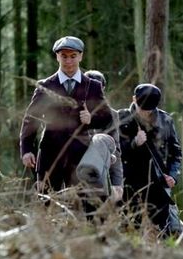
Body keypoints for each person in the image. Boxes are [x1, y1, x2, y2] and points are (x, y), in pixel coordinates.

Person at [19, 36, 113, 192]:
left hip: (81, 158)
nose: (68, 61)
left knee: (80, 206)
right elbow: (31, 120)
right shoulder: (45, 86)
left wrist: (91, 119)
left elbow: (107, 117)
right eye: (64, 56)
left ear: (81, 56)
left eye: (73, 56)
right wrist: (27, 150)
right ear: (57, 56)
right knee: (47, 204)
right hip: (50, 156)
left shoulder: (93, 86)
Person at [117, 83, 183, 236]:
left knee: (163, 230)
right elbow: (115, 150)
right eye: (142, 110)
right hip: (129, 181)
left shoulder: (165, 120)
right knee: (131, 227)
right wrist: (134, 143)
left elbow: (176, 152)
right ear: (134, 99)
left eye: (149, 110)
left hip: (157, 182)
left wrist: (173, 175)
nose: (146, 114)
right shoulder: (121, 117)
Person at [83, 70, 124, 202]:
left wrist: (117, 183)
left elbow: (116, 149)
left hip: (101, 173)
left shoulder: (111, 114)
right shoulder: (73, 110)